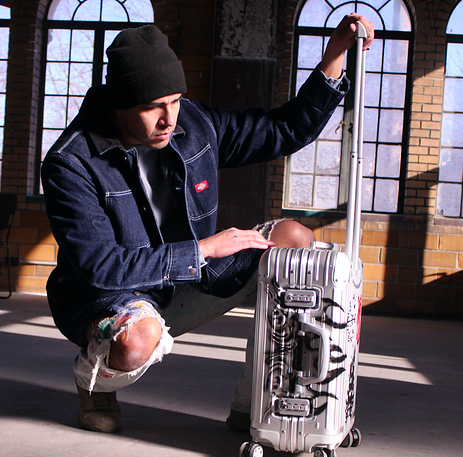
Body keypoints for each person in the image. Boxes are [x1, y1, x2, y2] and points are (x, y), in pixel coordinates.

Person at [41, 14, 374, 433]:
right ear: (119, 105)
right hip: (112, 296)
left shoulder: (194, 124)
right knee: (137, 341)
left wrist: (334, 55)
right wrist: (203, 249)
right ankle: (94, 381)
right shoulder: (70, 163)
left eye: (175, 100)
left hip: (192, 276)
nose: (169, 118)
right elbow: (100, 268)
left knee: (293, 241)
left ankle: (256, 402)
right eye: (153, 107)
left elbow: (283, 130)